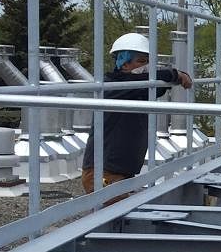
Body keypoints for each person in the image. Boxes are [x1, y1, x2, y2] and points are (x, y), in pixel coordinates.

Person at [80, 32, 192, 195]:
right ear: (124, 64)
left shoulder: (135, 88)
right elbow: (156, 80)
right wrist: (175, 74)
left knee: (117, 217)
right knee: (115, 218)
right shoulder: (114, 86)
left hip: (121, 172)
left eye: (148, 62)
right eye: (141, 61)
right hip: (103, 173)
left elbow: (158, 87)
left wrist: (176, 76)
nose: (146, 66)